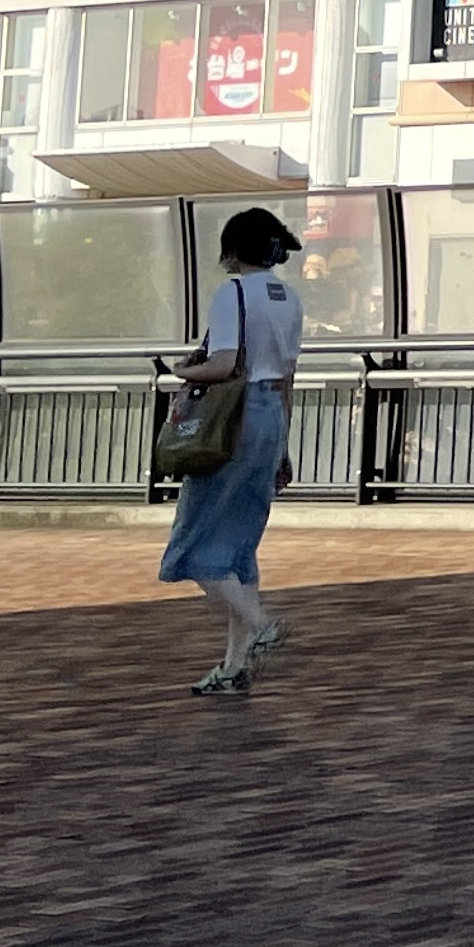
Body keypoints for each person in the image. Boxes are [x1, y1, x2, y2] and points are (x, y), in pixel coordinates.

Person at [161, 205, 304, 697]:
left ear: (234, 250)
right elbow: (287, 378)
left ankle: (261, 625)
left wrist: (181, 371)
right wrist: (283, 446)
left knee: (195, 544)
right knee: (240, 546)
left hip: (232, 420)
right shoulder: (288, 297)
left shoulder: (233, 293)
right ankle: (233, 666)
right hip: (269, 418)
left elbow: (223, 364)